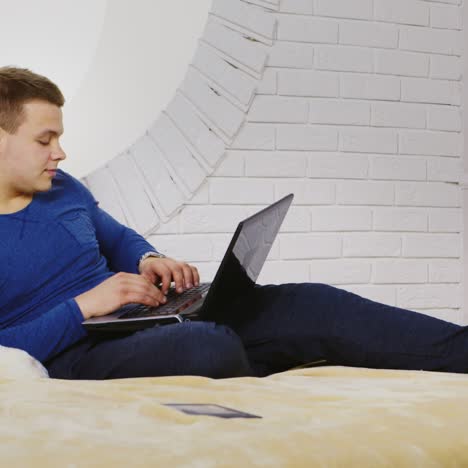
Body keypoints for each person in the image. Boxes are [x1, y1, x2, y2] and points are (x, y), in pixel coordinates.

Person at [0, 66, 466, 381]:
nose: (59, 152)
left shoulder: (62, 187)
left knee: (310, 302)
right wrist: (84, 307)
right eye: (45, 140)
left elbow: (114, 236)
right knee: (204, 348)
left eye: (59, 137)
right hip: (78, 353)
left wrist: (149, 259)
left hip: (136, 323)